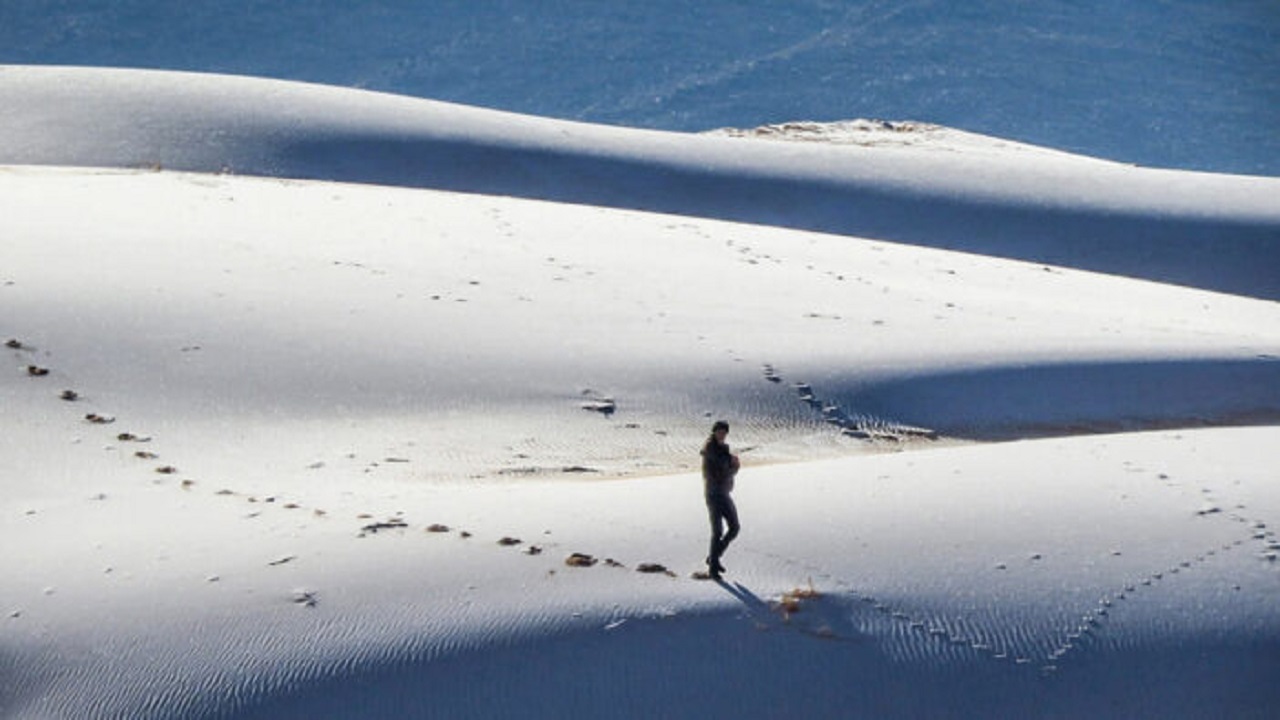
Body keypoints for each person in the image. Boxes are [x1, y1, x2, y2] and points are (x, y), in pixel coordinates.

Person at [701, 420, 740, 579]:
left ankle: (713, 558)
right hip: (713, 494)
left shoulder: (723, 449)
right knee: (718, 531)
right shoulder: (710, 449)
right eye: (720, 431)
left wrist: (733, 466)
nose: (722, 434)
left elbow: (728, 470)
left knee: (734, 528)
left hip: (723, 493)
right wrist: (733, 466)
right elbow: (721, 471)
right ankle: (713, 569)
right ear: (714, 431)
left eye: (724, 432)